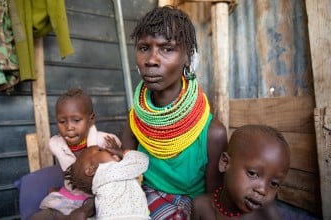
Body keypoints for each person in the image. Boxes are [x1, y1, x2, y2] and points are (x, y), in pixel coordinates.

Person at [121, 5, 228, 219]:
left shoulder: (213, 133)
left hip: (191, 206)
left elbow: (212, 201)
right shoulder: (136, 119)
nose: (151, 60)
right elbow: (125, 178)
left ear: (188, 57)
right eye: (144, 48)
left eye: (166, 49)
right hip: (142, 197)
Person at [30, 88, 121, 220]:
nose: (69, 127)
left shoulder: (104, 142)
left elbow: (120, 172)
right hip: (70, 195)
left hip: (100, 198)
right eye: (62, 121)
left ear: (91, 119)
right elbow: (65, 168)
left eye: (76, 120)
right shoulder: (56, 145)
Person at [191, 124, 291, 220]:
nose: (262, 190)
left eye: (274, 184)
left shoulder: (267, 214)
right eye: (252, 174)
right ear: (225, 163)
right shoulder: (200, 206)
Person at [65, 136, 150, 219]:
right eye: (100, 150)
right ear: (91, 170)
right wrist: (120, 152)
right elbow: (142, 160)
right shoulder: (108, 170)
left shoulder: (103, 180)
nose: (107, 150)